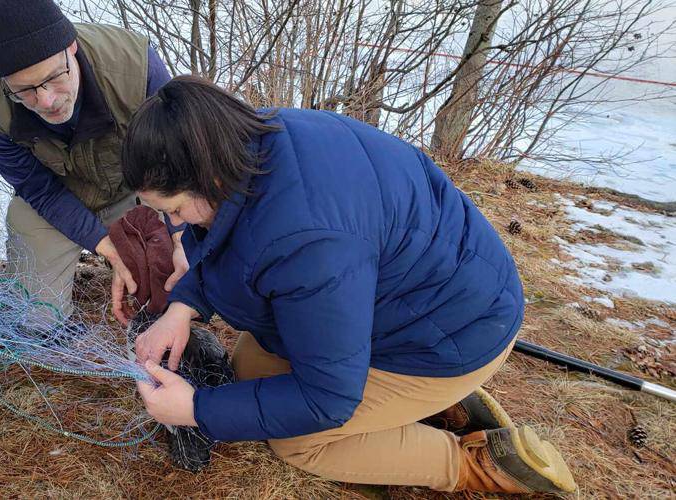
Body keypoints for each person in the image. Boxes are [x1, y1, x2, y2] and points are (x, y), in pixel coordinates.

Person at [126, 76, 576, 494]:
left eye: (178, 209)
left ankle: (473, 462)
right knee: (251, 369)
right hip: (425, 295)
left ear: (210, 176)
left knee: (299, 441)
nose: (175, 224)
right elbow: (235, 243)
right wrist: (181, 308)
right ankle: (419, 404)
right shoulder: (247, 141)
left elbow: (326, 398)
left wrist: (196, 412)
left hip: (452, 334)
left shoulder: (307, 243)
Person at [0, 0, 181, 326]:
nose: (47, 100)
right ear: (3, 81)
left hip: (136, 192)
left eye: (55, 77)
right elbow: (37, 188)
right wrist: (106, 246)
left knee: (168, 278)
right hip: (55, 203)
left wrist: (180, 235)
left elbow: (175, 161)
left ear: (71, 46)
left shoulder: (135, 66)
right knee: (36, 318)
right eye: (24, 91)